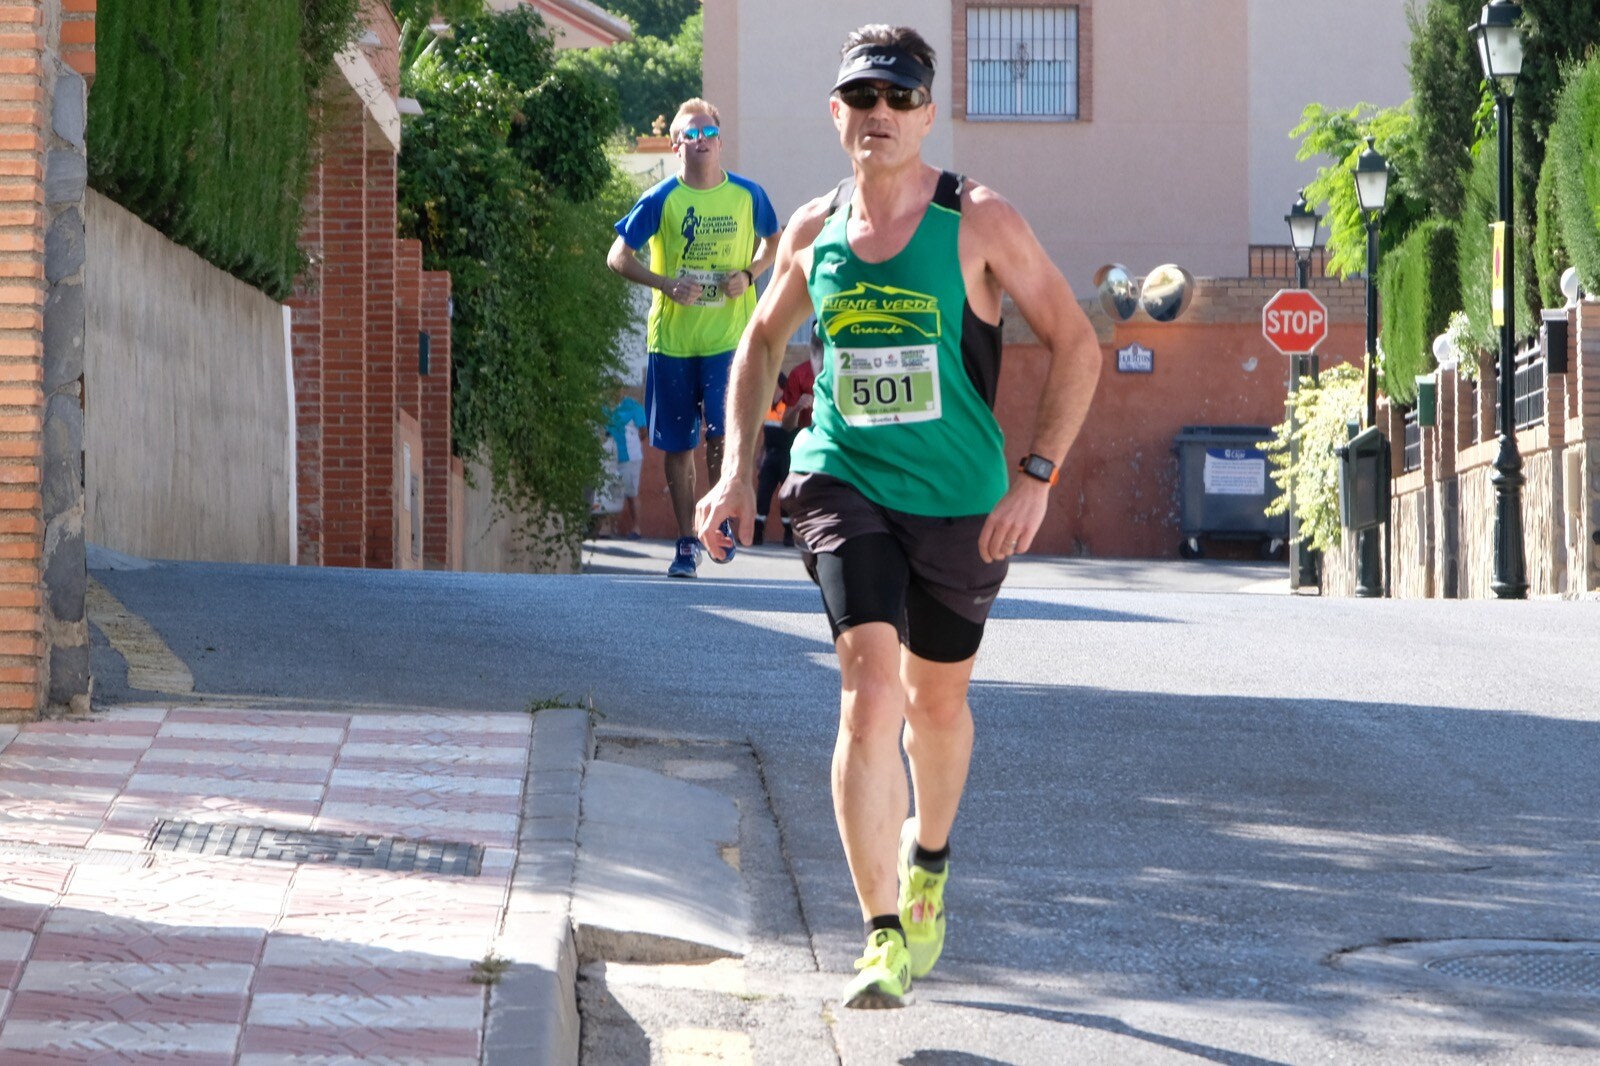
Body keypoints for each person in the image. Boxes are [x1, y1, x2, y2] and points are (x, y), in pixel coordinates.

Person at [695, 25, 1100, 1009]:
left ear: (925, 114)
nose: (877, 114)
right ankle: (880, 931)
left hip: (962, 500)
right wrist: (736, 470)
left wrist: (1035, 476)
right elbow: (756, 344)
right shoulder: (810, 229)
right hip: (842, 480)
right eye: (860, 98)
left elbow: (1077, 341)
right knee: (869, 694)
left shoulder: (978, 220)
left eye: (897, 98)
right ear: (836, 114)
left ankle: (928, 859)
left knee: (937, 705)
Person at [607, 98, 782, 578]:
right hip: (674, 342)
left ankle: (718, 520)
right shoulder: (661, 198)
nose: (701, 141)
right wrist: (665, 284)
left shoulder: (748, 195)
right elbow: (617, 256)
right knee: (678, 446)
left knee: (723, 436)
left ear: (720, 142)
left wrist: (749, 274)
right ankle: (686, 542)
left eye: (708, 134)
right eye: (691, 134)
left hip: (731, 341)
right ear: (675, 144)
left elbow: (775, 242)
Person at [603, 387, 648, 539]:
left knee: (631, 493)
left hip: (630, 457)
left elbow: (643, 431)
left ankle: (637, 528)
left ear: (622, 390)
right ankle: (607, 528)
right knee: (608, 491)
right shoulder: (603, 408)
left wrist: (631, 445)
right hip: (610, 458)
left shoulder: (633, 407)